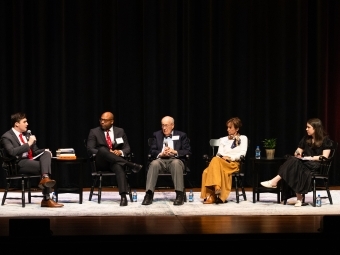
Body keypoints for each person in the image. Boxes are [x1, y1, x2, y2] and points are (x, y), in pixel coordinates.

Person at [260, 118, 333, 207]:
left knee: (294, 163)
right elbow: (298, 150)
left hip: (317, 165)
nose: (306, 129)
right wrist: (297, 153)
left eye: (308, 127)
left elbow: (324, 157)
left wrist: (310, 158)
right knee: (293, 160)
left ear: (316, 128)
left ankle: (274, 181)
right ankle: (299, 198)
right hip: (305, 163)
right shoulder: (306, 138)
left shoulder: (326, 140)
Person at [1, 112, 63, 207]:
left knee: (46, 154)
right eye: (24, 122)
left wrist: (44, 150)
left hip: (29, 161)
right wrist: (29, 143)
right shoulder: (7, 136)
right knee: (44, 167)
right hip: (17, 164)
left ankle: (45, 178)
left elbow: (36, 151)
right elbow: (12, 152)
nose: (27, 124)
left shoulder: (26, 135)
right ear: (16, 124)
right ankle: (46, 198)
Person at [87, 111, 142, 206]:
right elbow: (90, 149)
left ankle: (123, 196)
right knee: (103, 149)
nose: (102, 122)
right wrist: (106, 153)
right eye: (101, 120)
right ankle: (130, 164)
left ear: (112, 121)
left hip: (115, 162)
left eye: (105, 120)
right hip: (101, 162)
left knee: (119, 167)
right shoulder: (94, 131)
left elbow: (127, 148)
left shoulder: (120, 131)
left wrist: (120, 152)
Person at [142, 116, 191, 206]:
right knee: (153, 164)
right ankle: (149, 194)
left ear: (172, 125)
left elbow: (187, 151)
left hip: (175, 160)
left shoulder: (181, 135)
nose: (164, 128)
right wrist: (161, 153)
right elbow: (152, 150)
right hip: (161, 160)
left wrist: (175, 151)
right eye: (162, 125)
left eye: (166, 125)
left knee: (176, 164)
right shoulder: (157, 135)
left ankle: (179, 194)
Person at [201, 117, 248, 204]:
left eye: (230, 128)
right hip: (221, 162)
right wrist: (222, 157)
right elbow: (219, 153)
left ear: (237, 129)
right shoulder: (223, 139)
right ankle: (215, 190)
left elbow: (242, 154)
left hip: (232, 164)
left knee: (211, 167)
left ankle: (213, 194)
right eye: (227, 127)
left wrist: (230, 158)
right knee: (206, 171)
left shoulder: (243, 138)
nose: (228, 130)